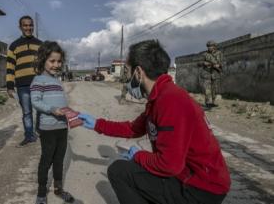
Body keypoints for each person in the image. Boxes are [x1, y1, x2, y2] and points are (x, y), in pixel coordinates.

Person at [79, 40, 230, 204]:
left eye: (127, 71)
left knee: (119, 171)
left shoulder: (170, 100)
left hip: (200, 187)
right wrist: (96, 124)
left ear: (138, 72)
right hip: (189, 175)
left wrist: (139, 155)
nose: (127, 78)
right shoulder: (160, 97)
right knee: (134, 169)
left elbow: (169, 165)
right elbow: (133, 129)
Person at [30, 41, 75, 204]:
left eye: (59, 61)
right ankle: (41, 193)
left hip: (62, 127)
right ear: (43, 60)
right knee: (46, 160)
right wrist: (52, 109)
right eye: (52, 61)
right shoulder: (38, 80)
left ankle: (58, 189)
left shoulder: (57, 81)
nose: (56, 65)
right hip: (48, 128)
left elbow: (61, 102)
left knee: (59, 160)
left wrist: (70, 113)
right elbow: (35, 101)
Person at [6, 15, 42, 146]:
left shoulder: (40, 44)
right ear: (20, 27)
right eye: (25, 25)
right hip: (22, 85)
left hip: (38, 84)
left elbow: (44, 65)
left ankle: (41, 132)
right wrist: (10, 86)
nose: (28, 28)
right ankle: (29, 135)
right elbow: (10, 67)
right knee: (27, 112)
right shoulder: (13, 46)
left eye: (30, 25)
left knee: (41, 109)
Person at [200, 40, 223, 109]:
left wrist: (218, 65)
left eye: (211, 46)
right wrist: (204, 63)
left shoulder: (219, 53)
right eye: (208, 46)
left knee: (214, 88)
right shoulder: (205, 54)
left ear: (214, 46)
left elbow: (222, 62)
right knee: (207, 89)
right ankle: (207, 102)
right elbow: (199, 63)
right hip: (206, 73)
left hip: (215, 73)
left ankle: (213, 102)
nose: (209, 47)